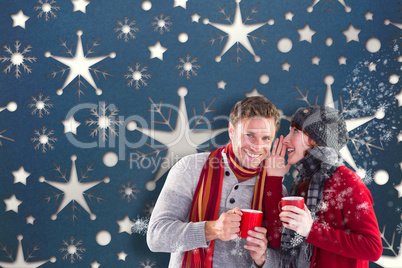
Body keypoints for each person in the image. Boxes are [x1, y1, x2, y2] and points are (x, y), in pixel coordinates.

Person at [147, 96, 286, 268]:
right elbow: (156, 238)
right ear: (231, 131)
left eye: (266, 138)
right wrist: (212, 229)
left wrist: (263, 258)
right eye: (249, 135)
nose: (257, 147)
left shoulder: (275, 190)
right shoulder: (190, 168)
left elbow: (285, 260)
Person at [274, 105, 382, 268]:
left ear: (316, 139)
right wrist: (273, 179)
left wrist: (311, 230)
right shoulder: (301, 183)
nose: (286, 139)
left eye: (295, 131)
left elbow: (372, 247)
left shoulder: (347, 181)